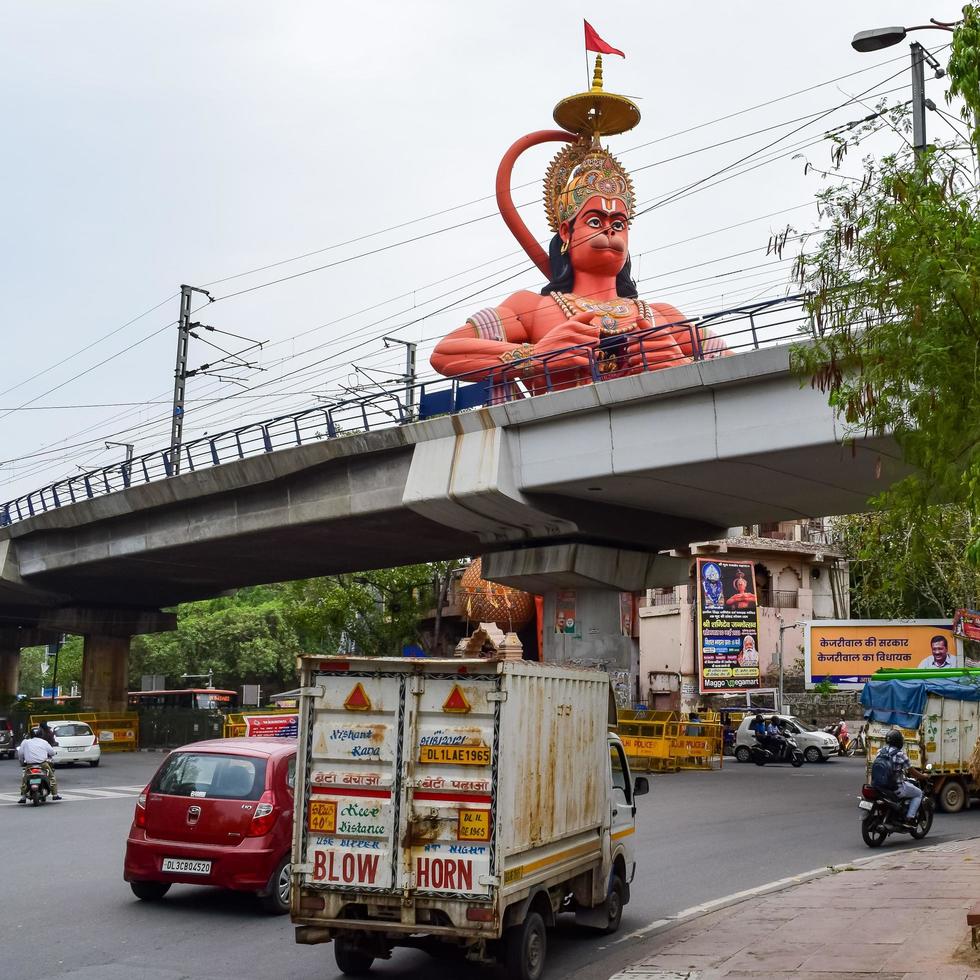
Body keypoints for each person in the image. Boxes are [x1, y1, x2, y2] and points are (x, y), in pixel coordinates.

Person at [874, 729, 924, 828]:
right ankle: (910, 818)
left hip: (879, 786)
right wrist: (924, 776)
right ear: (898, 741)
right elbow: (913, 773)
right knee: (918, 793)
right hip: (896, 788)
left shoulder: (880, 752)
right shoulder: (900, 754)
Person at [16, 727, 61, 803]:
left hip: (29, 765)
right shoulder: (44, 742)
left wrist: (21, 763)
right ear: (41, 734)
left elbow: (20, 754)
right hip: (43, 765)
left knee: (25, 779)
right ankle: (55, 795)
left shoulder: (25, 742)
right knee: (51, 777)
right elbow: (52, 752)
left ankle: (23, 797)